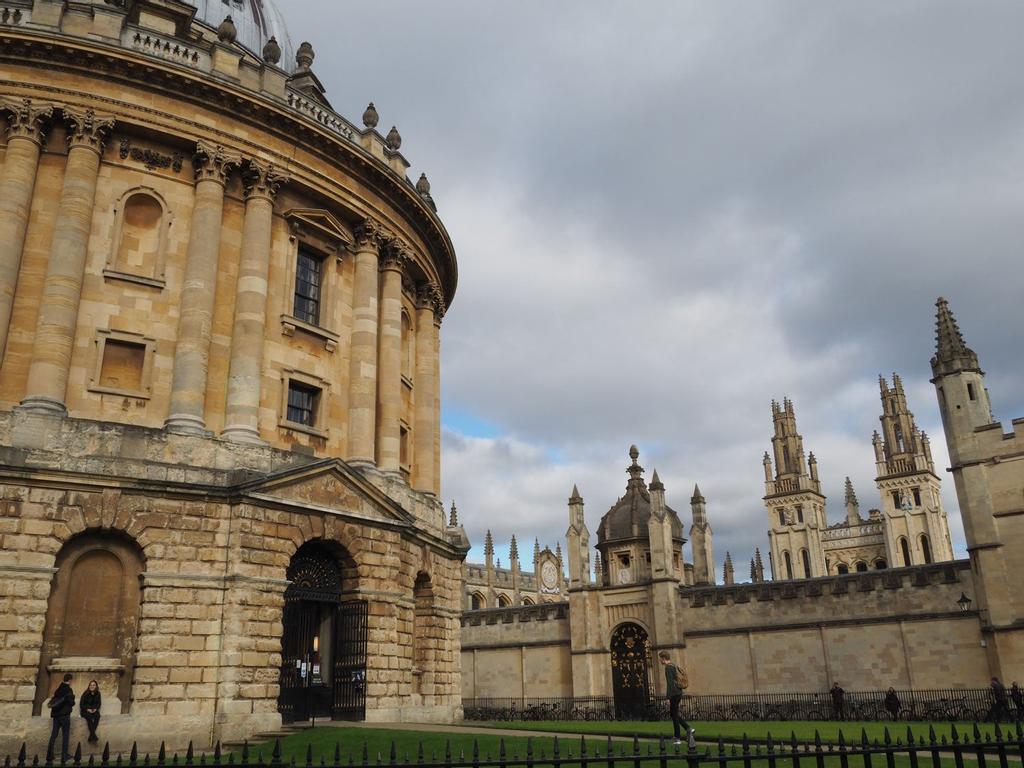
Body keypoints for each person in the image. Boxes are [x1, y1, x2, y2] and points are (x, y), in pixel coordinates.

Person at [658, 650, 693, 746]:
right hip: (678, 693)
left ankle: (677, 738)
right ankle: (688, 728)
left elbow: (670, 684)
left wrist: (668, 698)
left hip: (674, 694)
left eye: (660, 659)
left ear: (663, 658)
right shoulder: (673, 665)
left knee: (674, 715)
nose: (660, 661)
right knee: (674, 714)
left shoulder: (668, 667)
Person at [46, 673, 75, 763]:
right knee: (65, 736)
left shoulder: (58, 689)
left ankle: (49, 755)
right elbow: (71, 703)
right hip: (65, 716)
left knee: (54, 735)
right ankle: (64, 755)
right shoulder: (68, 690)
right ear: (70, 680)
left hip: (56, 716)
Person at [80, 680, 101, 744]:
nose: (92, 686)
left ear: (96, 686)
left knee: (97, 716)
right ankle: (93, 735)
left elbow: (99, 703)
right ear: (89, 686)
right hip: (85, 711)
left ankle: (91, 736)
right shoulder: (85, 693)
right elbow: (81, 704)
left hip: (94, 710)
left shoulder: (98, 693)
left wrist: (95, 709)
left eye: (93, 685)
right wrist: (87, 709)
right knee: (89, 717)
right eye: (91, 685)